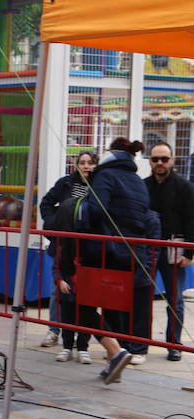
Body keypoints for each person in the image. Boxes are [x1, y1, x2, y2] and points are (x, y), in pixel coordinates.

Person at [77, 137, 159, 383]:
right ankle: (116, 361)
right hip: (127, 254)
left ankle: (116, 352)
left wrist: (80, 212)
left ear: (110, 153)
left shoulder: (106, 176)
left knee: (84, 307)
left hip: (102, 251)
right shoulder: (137, 181)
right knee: (113, 311)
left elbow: (96, 209)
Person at [45, 152, 98, 364]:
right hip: (63, 246)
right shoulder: (65, 183)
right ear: (76, 165)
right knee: (57, 291)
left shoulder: (100, 185)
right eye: (82, 163)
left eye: (90, 163)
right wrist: (53, 227)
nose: (86, 166)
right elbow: (46, 204)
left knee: (86, 298)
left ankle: (82, 343)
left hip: (87, 249)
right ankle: (54, 331)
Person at [144, 142, 194, 361]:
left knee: (175, 300)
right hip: (147, 250)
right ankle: (140, 342)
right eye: (156, 159)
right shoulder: (143, 185)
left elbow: (192, 220)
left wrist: (189, 254)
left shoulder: (185, 187)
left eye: (164, 159)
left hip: (174, 250)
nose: (160, 163)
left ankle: (173, 343)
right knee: (142, 297)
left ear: (172, 160)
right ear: (150, 161)